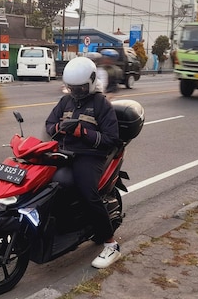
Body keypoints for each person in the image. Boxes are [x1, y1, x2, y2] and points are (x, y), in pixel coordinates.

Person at [45, 57, 122, 269]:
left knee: (88, 194)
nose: (76, 92)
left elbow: (111, 139)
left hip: (89, 155)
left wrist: (82, 132)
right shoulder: (65, 101)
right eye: (72, 88)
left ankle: (111, 244)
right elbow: (50, 123)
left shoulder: (101, 104)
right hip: (64, 152)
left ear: (90, 82)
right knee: (43, 184)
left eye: (79, 88)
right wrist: (59, 128)